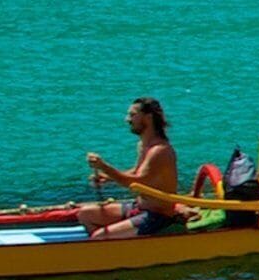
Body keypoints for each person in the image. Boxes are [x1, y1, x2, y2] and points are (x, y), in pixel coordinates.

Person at [79, 97, 184, 238]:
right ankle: (114, 247)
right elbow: (136, 172)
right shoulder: (143, 145)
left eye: (133, 115)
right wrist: (107, 178)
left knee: (99, 236)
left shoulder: (160, 150)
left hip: (158, 216)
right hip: (138, 207)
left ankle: (109, 246)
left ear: (148, 117)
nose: (127, 119)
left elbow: (135, 182)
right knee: (85, 214)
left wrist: (103, 166)